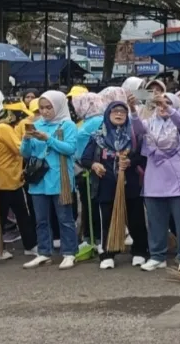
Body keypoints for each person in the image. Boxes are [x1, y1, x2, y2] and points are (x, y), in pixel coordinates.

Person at [80, 100, 148, 269]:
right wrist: (95, 165)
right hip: (107, 185)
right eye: (115, 111)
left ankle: (139, 252)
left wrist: (130, 161)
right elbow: (85, 158)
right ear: (107, 114)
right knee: (107, 220)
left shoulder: (133, 136)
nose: (119, 114)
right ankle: (107, 253)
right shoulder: (98, 136)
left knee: (136, 219)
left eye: (122, 112)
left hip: (131, 184)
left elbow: (143, 157)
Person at [21, 91, 80, 269]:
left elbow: (70, 149)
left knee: (65, 218)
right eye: (42, 108)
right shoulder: (37, 124)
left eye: (49, 107)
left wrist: (48, 139)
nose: (45, 111)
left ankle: (69, 252)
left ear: (59, 106)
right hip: (39, 180)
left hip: (60, 178)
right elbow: (26, 154)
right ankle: (44, 252)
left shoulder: (68, 125)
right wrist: (25, 140)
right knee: (41, 220)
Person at [140, 94, 180, 271]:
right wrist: (132, 110)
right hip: (153, 179)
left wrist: (168, 108)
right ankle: (157, 256)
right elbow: (136, 128)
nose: (162, 106)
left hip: (178, 180)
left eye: (168, 103)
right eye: (160, 104)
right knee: (155, 221)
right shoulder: (149, 123)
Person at [0, 92, 37, 258]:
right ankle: (0, 249)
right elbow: (20, 149)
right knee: (5, 216)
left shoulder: (1, 127)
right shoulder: (3, 128)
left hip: (9, 178)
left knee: (17, 215)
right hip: (6, 179)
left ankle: (28, 245)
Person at [71, 92, 106, 246]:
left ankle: (95, 237)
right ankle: (90, 236)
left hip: (90, 167)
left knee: (92, 203)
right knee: (87, 203)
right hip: (82, 167)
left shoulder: (97, 121)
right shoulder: (87, 121)